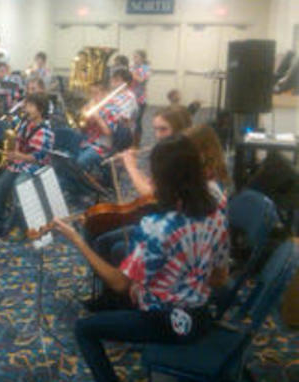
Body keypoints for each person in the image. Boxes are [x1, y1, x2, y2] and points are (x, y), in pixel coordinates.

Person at [51, 135, 229, 382]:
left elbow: (119, 283)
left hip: (165, 322)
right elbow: (219, 277)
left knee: (84, 329)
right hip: (201, 318)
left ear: (164, 181)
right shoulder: (216, 215)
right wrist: (176, 286)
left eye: (153, 174)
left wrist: (77, 240)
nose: (150, 180)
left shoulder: (155, 226)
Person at [0, 93, 54, 236]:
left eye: (30, 106)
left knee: (20, 187)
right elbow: (17, 142)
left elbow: (40, 157)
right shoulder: (25, 124)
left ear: (41, 109)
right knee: (0, 185)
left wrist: (19, 155)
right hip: (20, 163)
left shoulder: (45, 131)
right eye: (26, 105)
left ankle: (21, 226)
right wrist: (11, 153)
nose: (26, 109)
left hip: (36, 167)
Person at [121, 105, 193, 197]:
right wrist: (135, 167)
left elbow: (151, 195)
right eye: (155, 129)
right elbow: (156, 186)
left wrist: (131, 167)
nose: (158, 135)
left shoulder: (178, 156)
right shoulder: (179, 149)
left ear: (179, 128)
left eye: (163, 129)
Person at [75, 69, 138, 173]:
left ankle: (87, 182)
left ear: (105, 94)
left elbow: (109, 132)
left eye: (96, 93)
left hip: (103, 146)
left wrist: (97, 116)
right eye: (91, 94)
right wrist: (84, 119)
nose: (93, 97)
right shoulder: (95, 105)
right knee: (69, 154)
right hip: (89, 141)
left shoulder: (112, 108)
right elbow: (84, 128)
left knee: (80, 161)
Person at [130, 50, 151, 146]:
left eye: (136, 57)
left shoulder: (145, 68)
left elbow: (142, 80)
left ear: (142, 58)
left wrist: (132, 74)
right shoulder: (133, 67)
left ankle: (136, 142)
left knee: (138, 120)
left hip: (140, 98)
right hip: (131, 97)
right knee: (130, 120)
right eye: (133, 57)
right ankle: (129, 140)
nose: (134, 59)